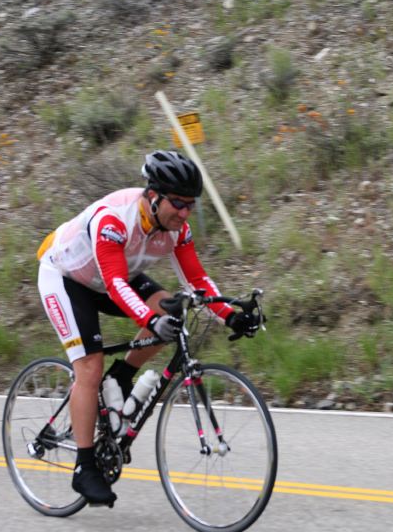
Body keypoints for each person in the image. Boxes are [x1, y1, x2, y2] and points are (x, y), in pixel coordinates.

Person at [36, 149, 260, 505]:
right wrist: (151, 321)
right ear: (153, 196)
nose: (185, 213)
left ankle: (123, 375)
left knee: (171, 307)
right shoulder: (115, 220)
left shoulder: (176, 229)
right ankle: (84, 466)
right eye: (178, 203)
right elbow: (115, 285)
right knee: (89, 367)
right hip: (66, 277)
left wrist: (231, 314)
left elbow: (196, 279)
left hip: (114, 277)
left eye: (191, 205)